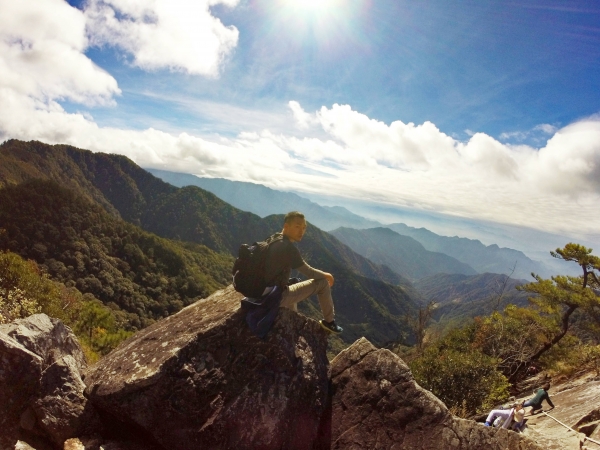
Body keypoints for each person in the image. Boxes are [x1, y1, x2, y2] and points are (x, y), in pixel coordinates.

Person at [263, 211, 343, 334]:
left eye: (304, 228)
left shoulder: (273, 238)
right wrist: (327, 275)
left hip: (261, 292)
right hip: (273, 297)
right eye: (297, 226)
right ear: (286, 226)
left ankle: (291, 322)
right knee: (322, 283)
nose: (301, 231)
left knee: (293, 283)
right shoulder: (288, 248)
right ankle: (330, 322)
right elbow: (309, 272)